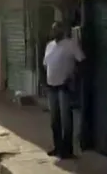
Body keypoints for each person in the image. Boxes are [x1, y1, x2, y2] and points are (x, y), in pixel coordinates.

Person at [43, 22, 85, 159]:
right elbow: (46, 64)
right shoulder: (49, 46)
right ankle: (57, 147)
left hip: (64, 87)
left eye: (57, 29)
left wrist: (73, 76)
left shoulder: (70, 44)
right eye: (53, 29)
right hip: (51, 87)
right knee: (54, 120)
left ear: (63, 30)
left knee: (66, 120)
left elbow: (81, 61)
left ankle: (67, 150)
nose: (54, 31)